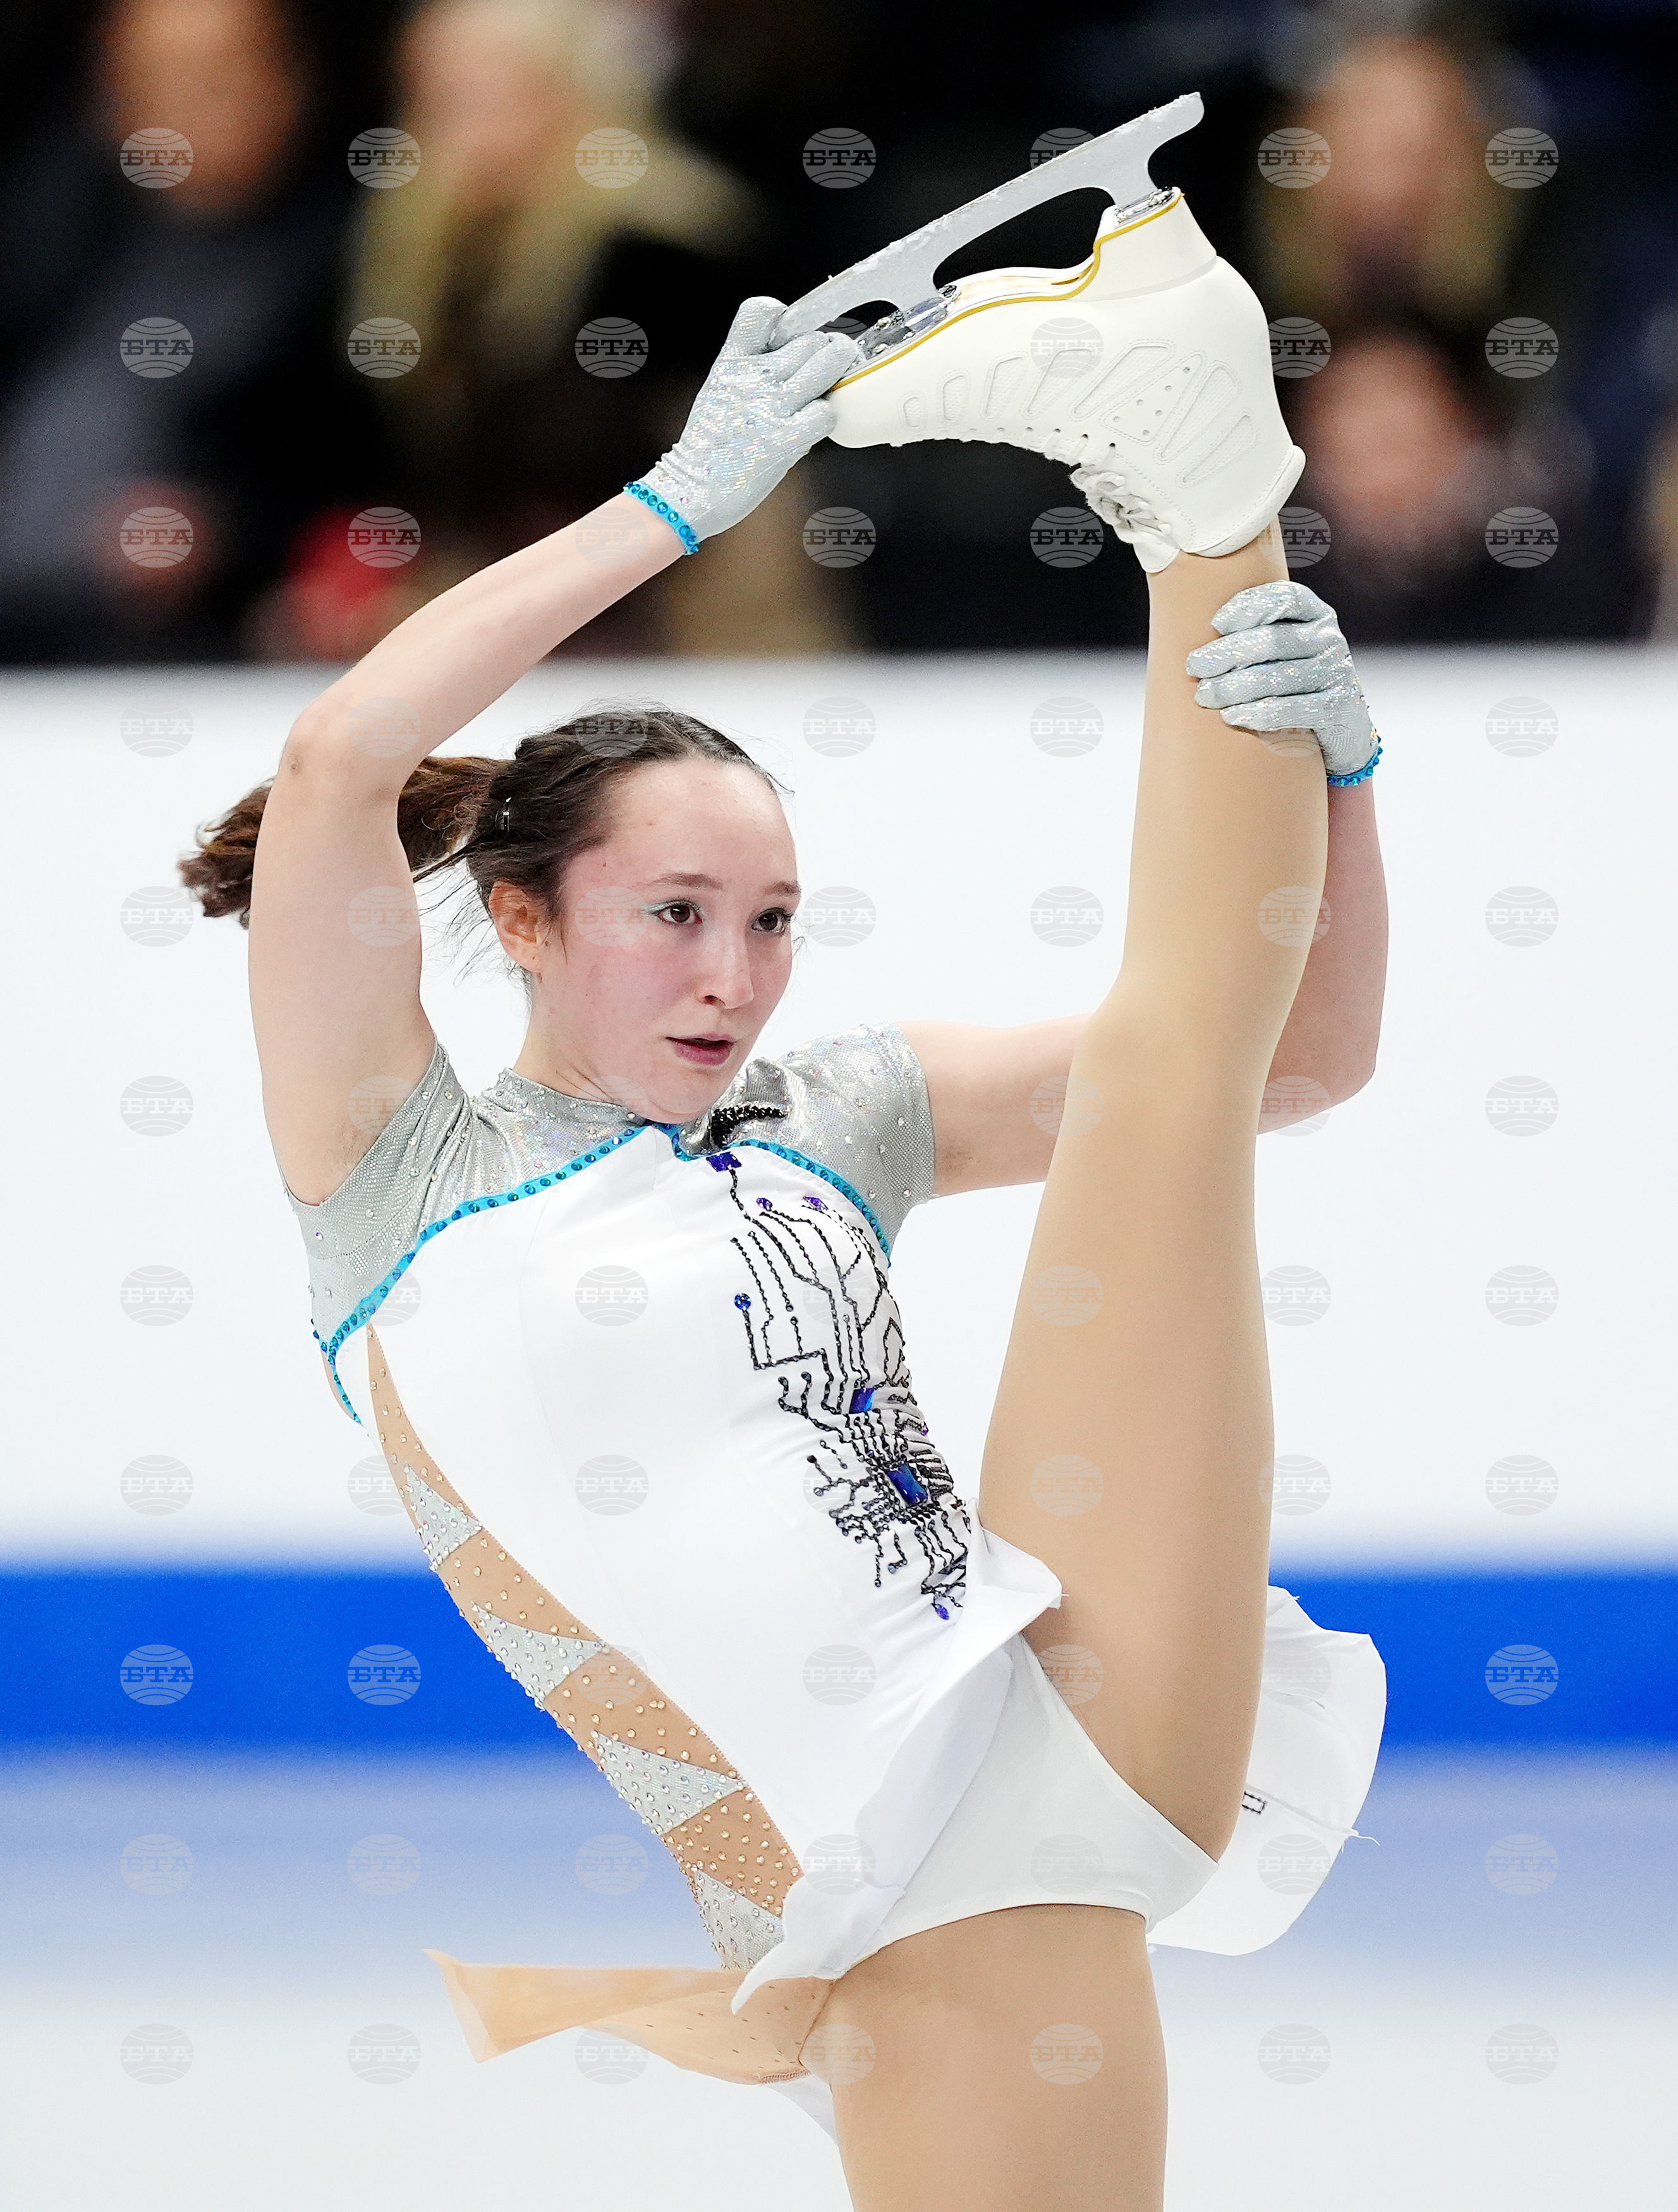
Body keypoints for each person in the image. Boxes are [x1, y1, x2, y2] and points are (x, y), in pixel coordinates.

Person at [181, 217, 1387, 2200]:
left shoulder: (835, 1112)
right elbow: (339, 757)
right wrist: (672, 507)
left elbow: (1302, 1060)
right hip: (896, 1872)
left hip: (1033, 1718)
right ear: (520, 919)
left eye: (769, 920)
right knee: (1166, 1059)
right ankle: (1196, 472)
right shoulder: (399, 1177)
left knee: (1170, 1070)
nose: (731, 975)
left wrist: (1345, 777)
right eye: (673, 914)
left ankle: (1198, 484)